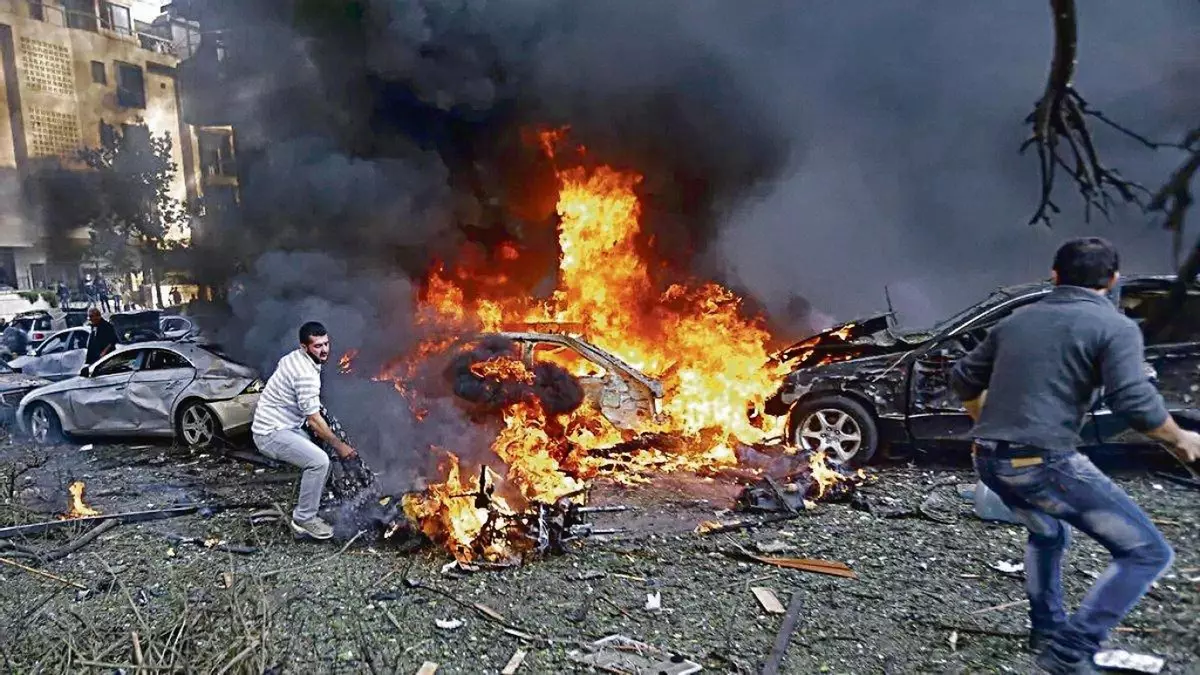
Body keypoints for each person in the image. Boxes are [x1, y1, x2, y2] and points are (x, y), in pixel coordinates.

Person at [951, 237, 1200, 674]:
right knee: (1146, 552)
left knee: (1048, 534)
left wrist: (986, 424)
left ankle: (1047, 630)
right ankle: (1069, 652)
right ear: (1113, 280)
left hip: (988, 460)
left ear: (1055, 276)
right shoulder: (1115, 326)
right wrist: (1181, 439)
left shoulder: (1017, 320)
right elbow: (1134, 402)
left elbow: (963, 378)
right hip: (1042, 465)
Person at [251, 322, 357, 540]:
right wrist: (341, 446)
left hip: (285, 426)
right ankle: (304, 520)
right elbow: (314, 420)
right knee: (319, 462)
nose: (324, 350)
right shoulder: (305, 374)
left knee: (321, 456)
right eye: (318, 346)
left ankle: (313, 501)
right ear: (304, 347)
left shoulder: (294, 358)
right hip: (270, 434)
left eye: (326, 343)